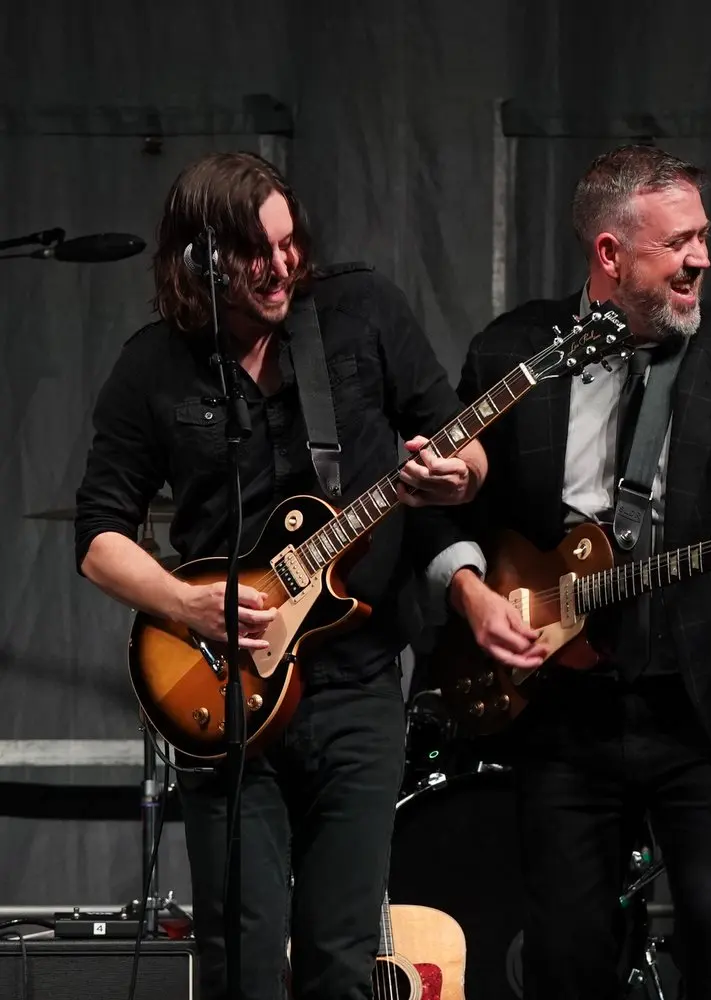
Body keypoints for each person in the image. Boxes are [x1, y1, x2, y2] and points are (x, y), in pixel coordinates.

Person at [415, 143, 711, 999]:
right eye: (678, 242)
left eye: (703, 237)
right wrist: (470, 595)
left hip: (709, 705)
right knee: (567, 955)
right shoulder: (513, 351)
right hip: (561, 710)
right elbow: (448, 507)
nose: (702, 259)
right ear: (610, 254)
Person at [73, 150, 485, 1000]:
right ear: (200, 260)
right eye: (255, 252)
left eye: (289, 242)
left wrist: (459, 476)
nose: (281, 266)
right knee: (243, 959)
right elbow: (98, 537)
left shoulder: (362, 313)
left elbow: (464, 445)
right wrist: (189, 603)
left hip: (358, 688)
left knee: (341, 961)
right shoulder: (153, 367)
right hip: (227, 696)